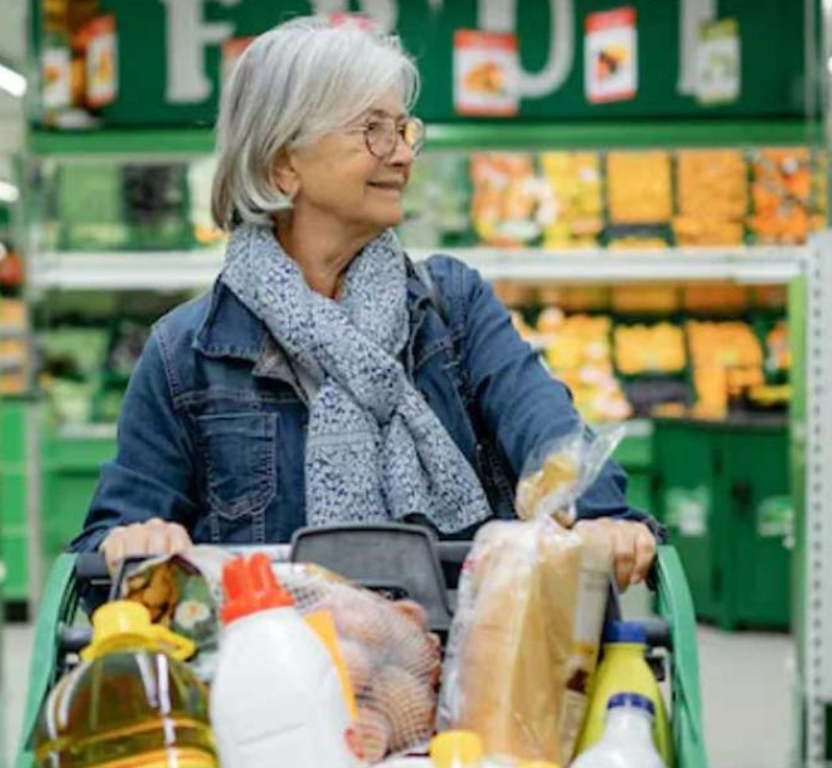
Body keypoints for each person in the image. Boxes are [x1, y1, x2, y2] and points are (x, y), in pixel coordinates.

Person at [71, 16, 660, 590]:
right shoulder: (188, 353)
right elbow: (115, 537)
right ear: (283, 164)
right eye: (374, 129)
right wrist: (135, 539)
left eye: (404, 129)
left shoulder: (451, 307)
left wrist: (598, 512)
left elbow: (546, 430)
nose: (403, 153)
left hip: (455, 669)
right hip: (275, 673)